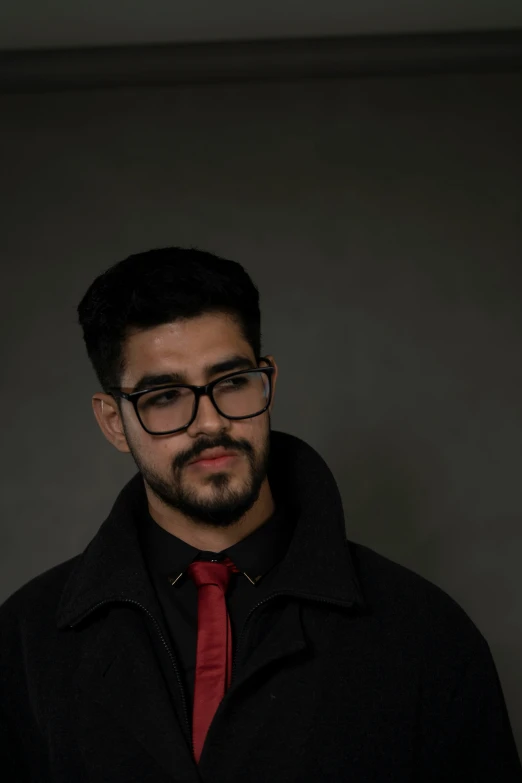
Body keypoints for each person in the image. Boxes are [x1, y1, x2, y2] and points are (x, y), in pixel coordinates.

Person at [0, 247, 520, 783]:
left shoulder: (424, 632)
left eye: (231, 382)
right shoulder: (25, 640)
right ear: (113, 421)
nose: (208, 423)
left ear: (267, 382)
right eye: (165, 396)